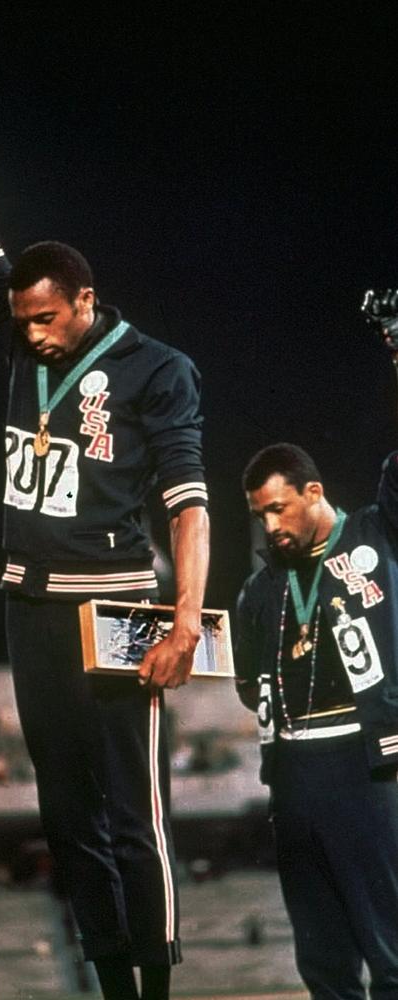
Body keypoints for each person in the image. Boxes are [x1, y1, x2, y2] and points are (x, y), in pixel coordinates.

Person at [0, 43, 209, 1000]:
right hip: (31, 604)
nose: (30, 334)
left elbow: (187, 502)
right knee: (65, 816)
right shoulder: (20, 328)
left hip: (116, 605)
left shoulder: (159, 370)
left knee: (131, 812)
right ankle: (112, 983)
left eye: (48, 320)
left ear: (88, 301)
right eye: (22, 321)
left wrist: (187, 617)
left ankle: (155, 985)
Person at [234, 291, 398, 1000]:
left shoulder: (373, 534)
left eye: (279, 507)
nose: (270, 525)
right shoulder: (258, 593)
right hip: (290, 776)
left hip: (366, 766)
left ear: (314, 492)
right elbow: (244, 683)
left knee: (392, 948)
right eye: (259, 514)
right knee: (324, 964)